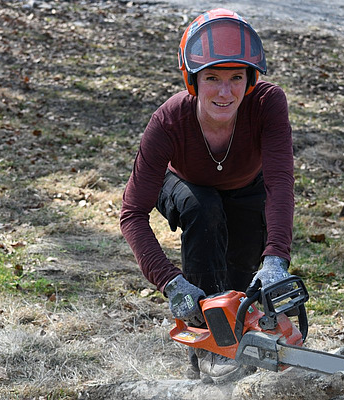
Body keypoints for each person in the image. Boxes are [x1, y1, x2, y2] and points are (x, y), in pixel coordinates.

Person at [119, 8, 295, 382]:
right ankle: (205, 353)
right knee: (203, 208)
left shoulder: (267, 104)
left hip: (248, 187)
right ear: (193, 80)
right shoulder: (168, 121)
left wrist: (277, 259)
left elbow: (279, 184)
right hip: (185, 186)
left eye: (236, 77)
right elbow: (132, 212)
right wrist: (170, 283)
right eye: (212, 78)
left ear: (251, 80)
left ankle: (242, 347)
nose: (225, 91)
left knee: (244, 277)